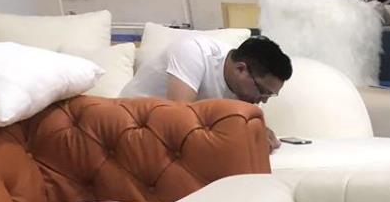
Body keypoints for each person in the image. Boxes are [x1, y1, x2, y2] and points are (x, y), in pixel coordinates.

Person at [122, 34, 293, 148]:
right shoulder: (193, 51)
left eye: (270, 95)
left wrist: (261, 133)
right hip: (128, 128)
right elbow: (179, 121)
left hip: (165, 135)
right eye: (262, 91)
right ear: (240, 69)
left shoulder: (246, 89)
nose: (263, 100)